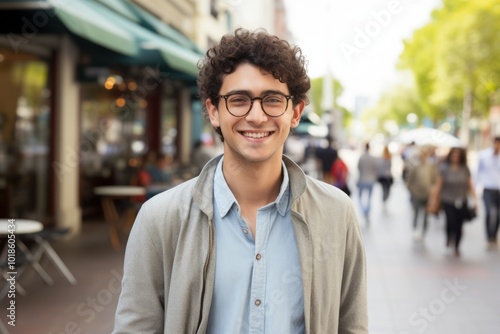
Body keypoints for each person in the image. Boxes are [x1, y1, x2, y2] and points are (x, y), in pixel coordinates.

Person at [113, 28, 368, 334]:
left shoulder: (336, 213)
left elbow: (352, 326)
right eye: (239, 99)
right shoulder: (160, 219)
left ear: (296, 112)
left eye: (272, 100)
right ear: (213, 111)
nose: (257, 116)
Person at [432, 147, 477, 257]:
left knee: (459, 224)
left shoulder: (465, 169)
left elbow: (470, 186)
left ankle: (457, 245)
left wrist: (475, 200)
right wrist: (434, 199)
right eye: (453, 155)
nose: (455, 157)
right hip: (447, 200)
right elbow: (438, 185)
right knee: (450, 221)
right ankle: (448, 237)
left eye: (457, 155)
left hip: (461, 200)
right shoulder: (444, 169)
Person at [406, 145, 437, 241]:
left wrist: (432, 193)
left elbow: (434, 180)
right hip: (416, 194)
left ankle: (423, 232)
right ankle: (415, 230)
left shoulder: (431, 167)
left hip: (427, 195)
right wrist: (412, 190)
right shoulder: (415, 166)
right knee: (416, 213)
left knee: (425, 215)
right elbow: (409, 181)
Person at [476, 136, 500, 250]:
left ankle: (494, 236)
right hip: (488, 188)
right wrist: (476, 187)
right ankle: (488, 236)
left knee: (498, 214)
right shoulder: (484, 156)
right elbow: (478, 172)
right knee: (490, 212)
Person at [357, 142, 378, 222]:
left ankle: (364, 211)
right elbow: (375, 169)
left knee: (360, 198)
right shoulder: (373, 158)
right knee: (369, 198)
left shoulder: (361, 157)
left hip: (362, 179)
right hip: (370, 180)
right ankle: (367, 212)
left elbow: (358, 168)